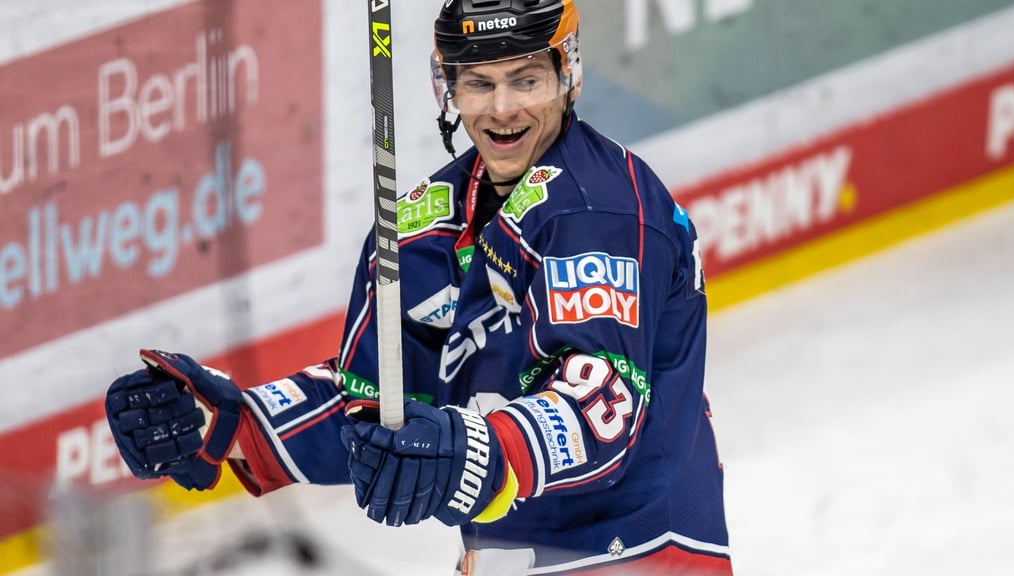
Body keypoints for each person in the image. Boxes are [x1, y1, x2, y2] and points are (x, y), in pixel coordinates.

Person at [104, 0, 733, 573]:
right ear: (449, 89)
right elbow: (377, 401)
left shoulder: (602, 210)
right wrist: (238, 424)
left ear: (568, 76)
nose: (502, 107)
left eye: (526, 80)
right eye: (479, 83)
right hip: (504, 559)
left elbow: (604, 402)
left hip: (642, 553)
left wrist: (475, 451)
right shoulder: (416, 229)